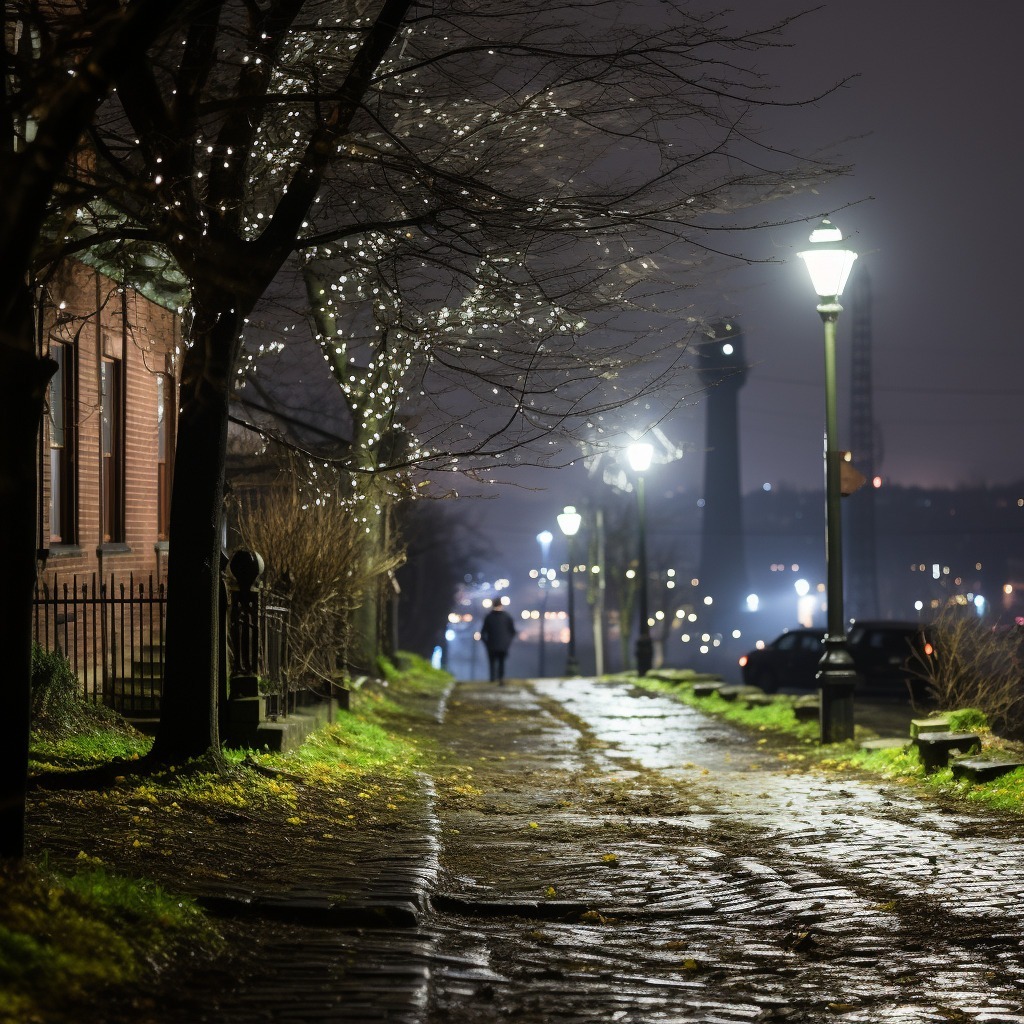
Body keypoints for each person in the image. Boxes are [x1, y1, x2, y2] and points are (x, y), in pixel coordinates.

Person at [480, 601, 516, 685]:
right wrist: (508, 642)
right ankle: (501, 678)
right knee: (501, 662)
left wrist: (486, 643)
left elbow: (483, 632)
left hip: (491, 644)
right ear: (501, 605)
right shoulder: (507, 616)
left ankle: (492, 678)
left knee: (492, 662)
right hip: (503, 646)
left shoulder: (488, 617)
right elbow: (513, 631)